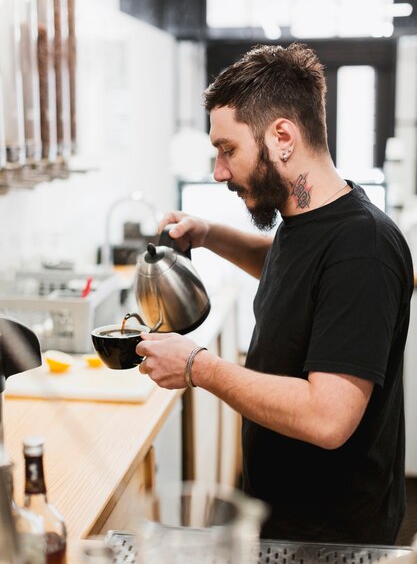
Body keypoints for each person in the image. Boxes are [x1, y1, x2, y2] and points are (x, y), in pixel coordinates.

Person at [136, 42, 414, 545]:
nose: (220, 172)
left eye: (228, 150)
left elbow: (327, 416)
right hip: (284, 522)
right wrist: (209, 233)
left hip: (333, 541)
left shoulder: (363, 248)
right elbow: (293, 272)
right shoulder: (309, 220)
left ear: (281, 136)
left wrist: (200, 366)